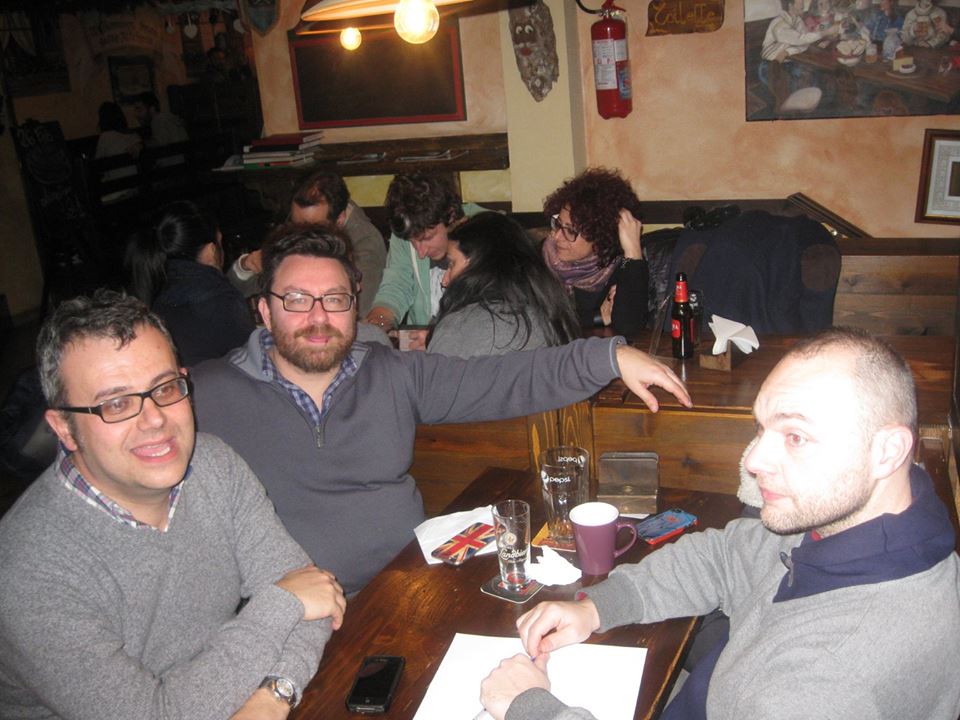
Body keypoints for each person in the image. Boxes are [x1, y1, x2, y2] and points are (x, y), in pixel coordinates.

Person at [479, 327, 960, 720]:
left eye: (795, 436)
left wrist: (530, 708)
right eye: (761, 428)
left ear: (887, 451)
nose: (754, 461)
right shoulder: (863, 523)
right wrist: (600, 606)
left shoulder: (824, 681)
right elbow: (725, 556)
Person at [191, 224, 691, 595]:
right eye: (298, 299)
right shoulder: (205, 397)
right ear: (264, 310)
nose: (319, 317)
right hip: (291, 612)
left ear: (355, 307)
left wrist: (608, 357)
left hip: (410, 586)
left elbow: (506, 379)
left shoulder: (392, 373)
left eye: (335, 299)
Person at [0, 290, 345, 719]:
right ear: (64, 428)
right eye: (116, 404)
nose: (155, 419)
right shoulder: (27, 571)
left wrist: (274, 694)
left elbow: (314, 596)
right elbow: (153, 714)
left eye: (165, 388)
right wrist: (281, 604)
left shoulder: (212, 463)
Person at [229, 170, 387, 317]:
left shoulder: (366, 245)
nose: (301, 235)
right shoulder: (297, 227)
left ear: (339, 220)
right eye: (296, 224)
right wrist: (245, 266)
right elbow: (231, 292)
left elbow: (356, 313)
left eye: (313, 228)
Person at [427, 211, 578, 357]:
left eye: (452, 264)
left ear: (477, 264)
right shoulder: (551, 311)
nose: (445, 279)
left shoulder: (460, 329)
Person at [364, 172, 486, 347]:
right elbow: (396, 287)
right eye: (412, 241)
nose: (420, 252)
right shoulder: (406, 232)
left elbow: (492, 314)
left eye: (427, 238)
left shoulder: (487, 232)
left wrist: (439, 337)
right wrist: (378, 323)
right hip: (421, 348)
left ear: (451, 216)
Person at [127, 200, 254, 366]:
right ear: (211, 251)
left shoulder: (154, 292)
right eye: (221, 242)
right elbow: (254, 364)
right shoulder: (220, 299)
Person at [541, 168, 649, 338]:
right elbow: (535, 319)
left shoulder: (619, 267)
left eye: (570, 230)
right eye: (558, 224)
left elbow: (629, 327)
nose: (556, 236)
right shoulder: (539, 259)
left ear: (599, 237)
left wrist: (633, 252)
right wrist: (596, 317)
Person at [94, 101, 142, 200]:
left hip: (120, 189)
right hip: (138, 185)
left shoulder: (105, 137)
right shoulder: (134, 135)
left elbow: (97, 165)